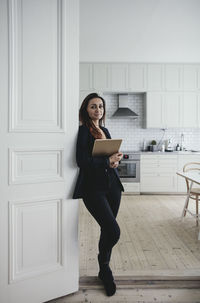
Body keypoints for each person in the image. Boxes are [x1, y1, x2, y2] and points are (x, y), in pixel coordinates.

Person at [73, 92, 124, 296]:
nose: (98, 110)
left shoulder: (105, 129)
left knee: (107, 229)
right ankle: (104, 265)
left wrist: (116, 159)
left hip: (112, 186)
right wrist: (107, 161)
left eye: (101, 106)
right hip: (93, 189)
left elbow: (110, 155)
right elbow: (81, 161)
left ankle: (104, 270)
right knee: (114, 230)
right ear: (86, 109)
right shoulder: (84, 131)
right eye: (93, 106)